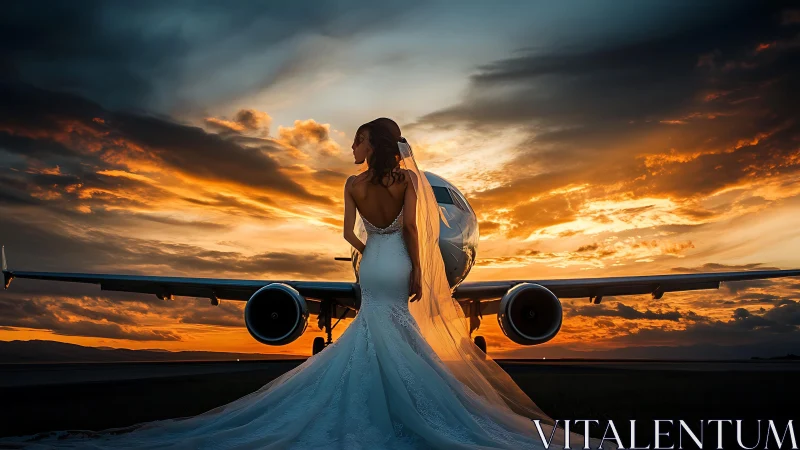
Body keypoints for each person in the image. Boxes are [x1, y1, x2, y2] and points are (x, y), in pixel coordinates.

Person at [0, 118, 617, 449]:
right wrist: (397, 259)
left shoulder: (375, 187)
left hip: (374, 265)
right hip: (382, 273)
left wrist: (366, 249)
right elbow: (393, 231)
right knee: (367, 337)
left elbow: (352, 232)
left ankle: (424, 362)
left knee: (376, 340)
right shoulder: (394, 188)